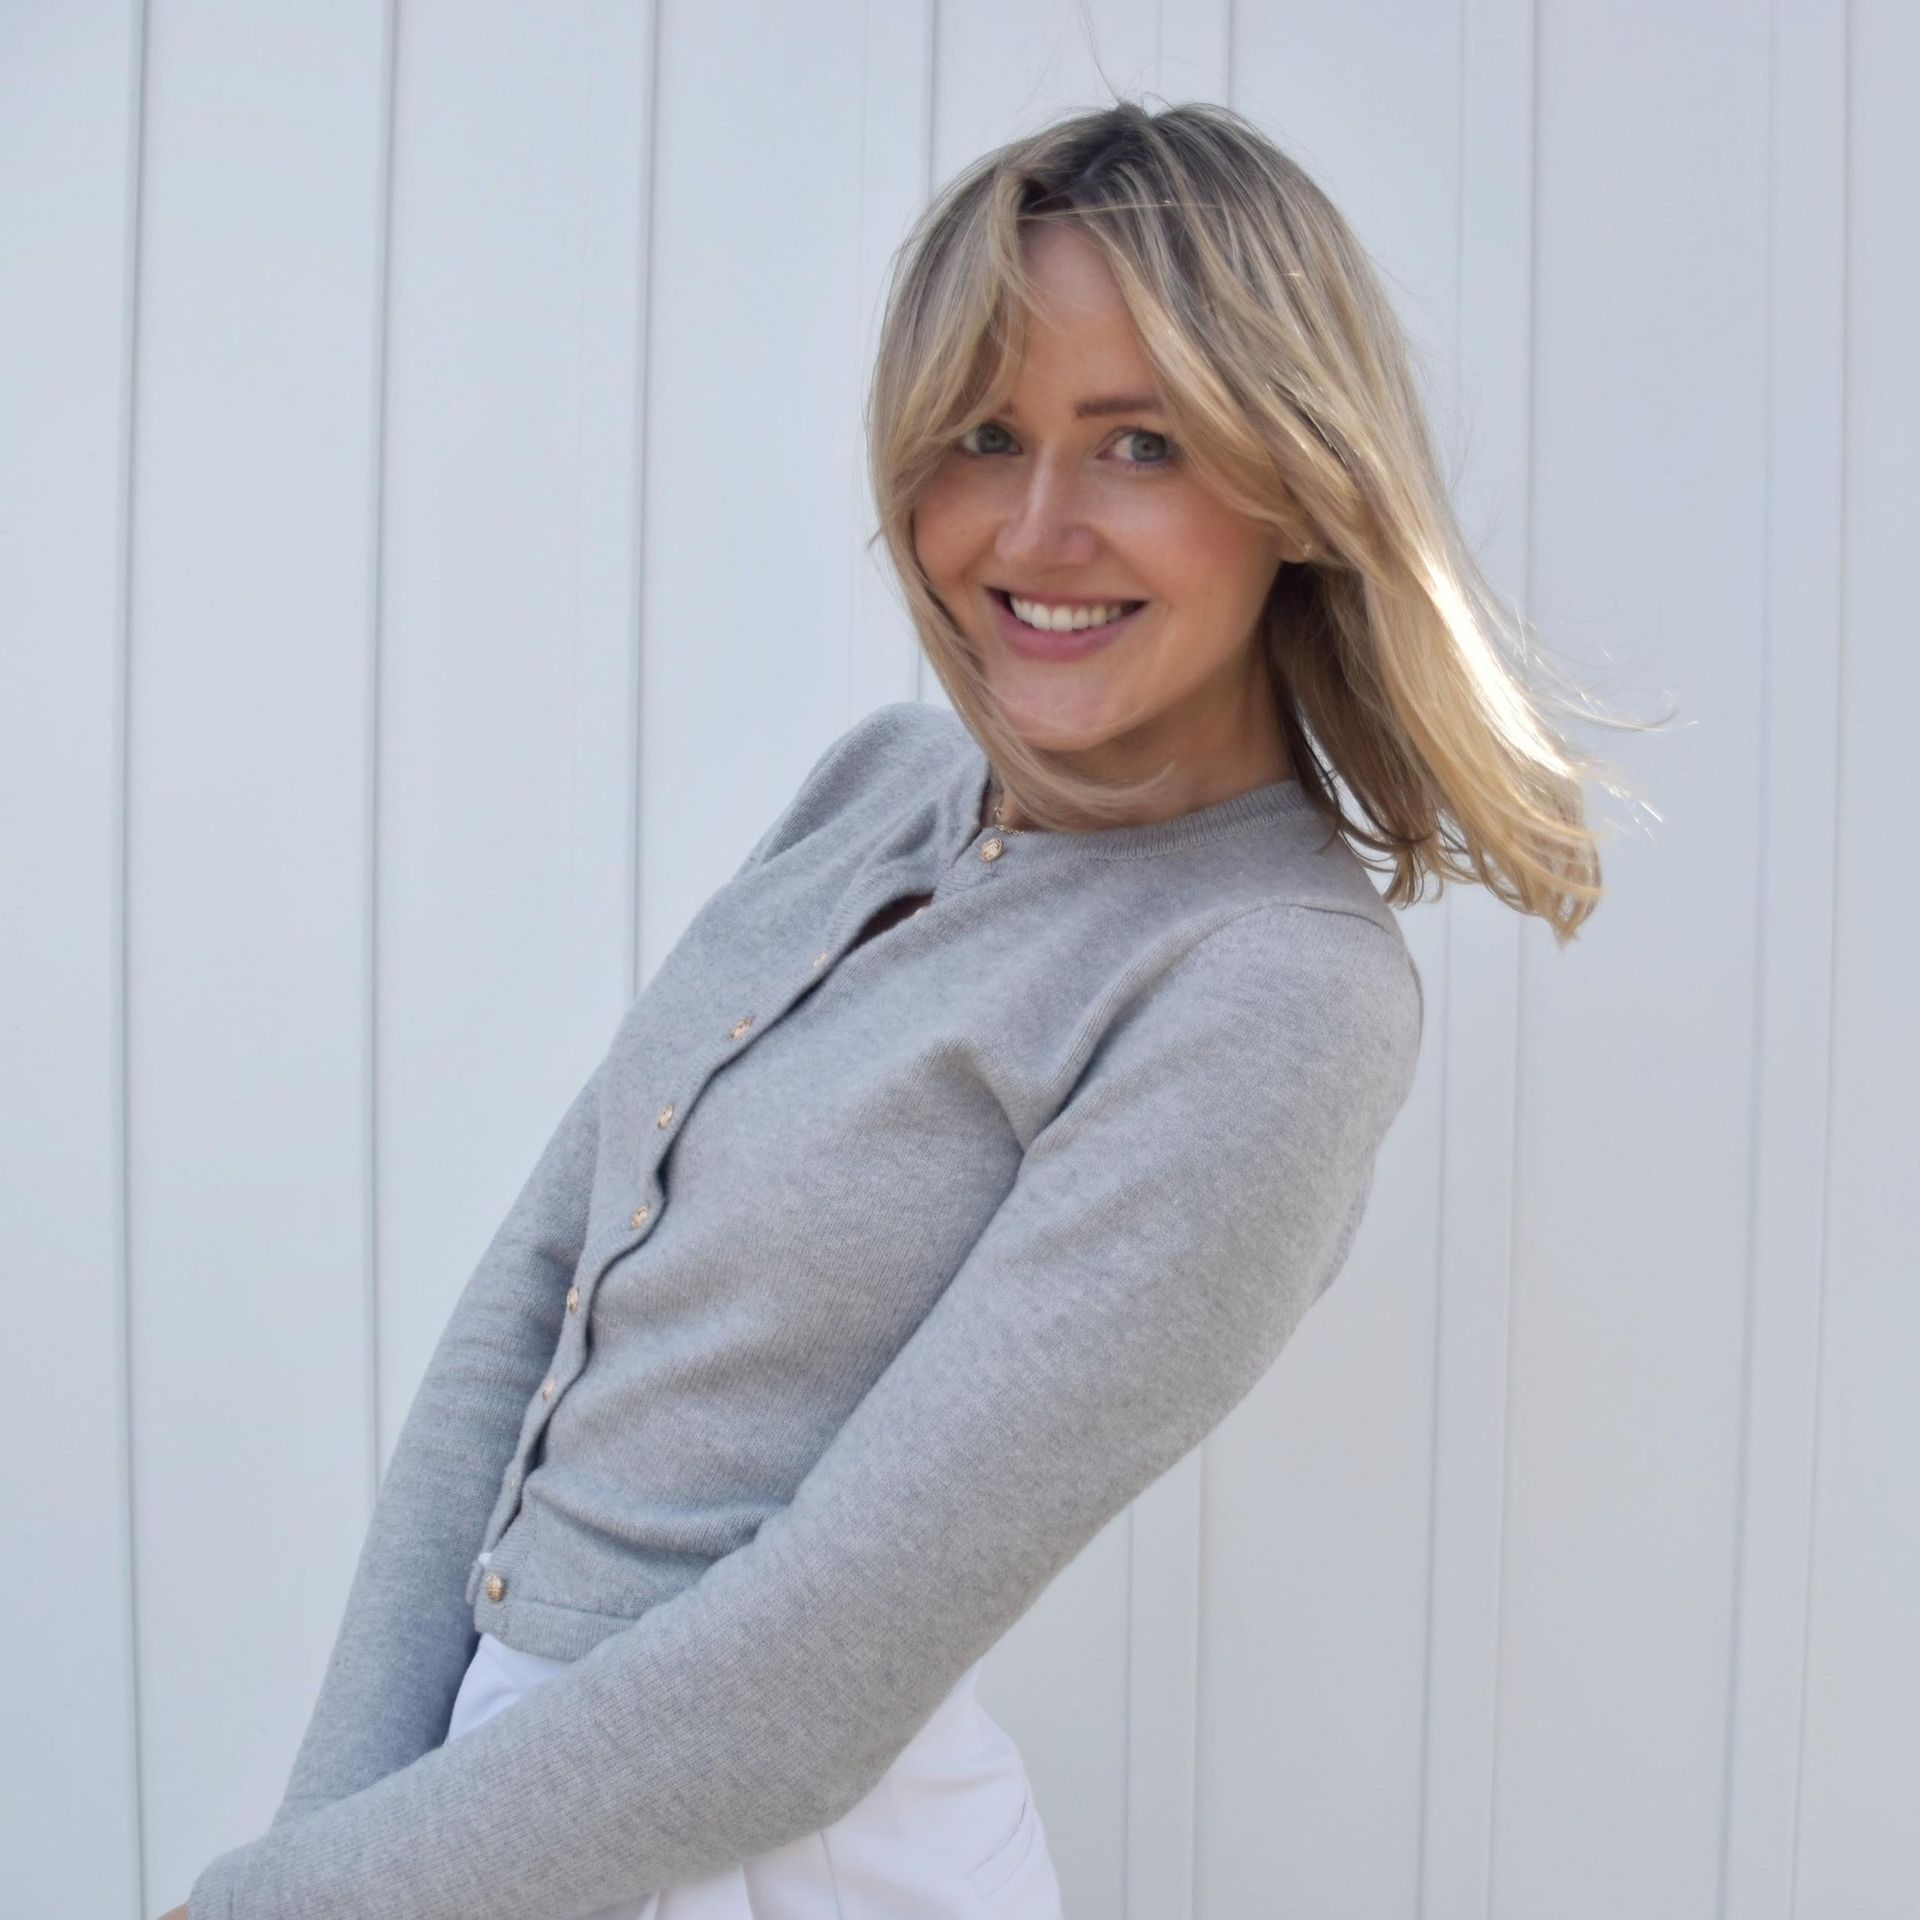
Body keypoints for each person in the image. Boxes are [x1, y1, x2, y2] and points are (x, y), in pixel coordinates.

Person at [173, 98, 1629, 1920]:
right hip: (481, 1836)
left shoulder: (1270, 987)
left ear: (1299, 482)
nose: (1036, 527)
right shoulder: (877, 786)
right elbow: (528, 1319)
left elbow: (811, 1679)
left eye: (1142, 444)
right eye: (982, 435)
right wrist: (316, 1844)